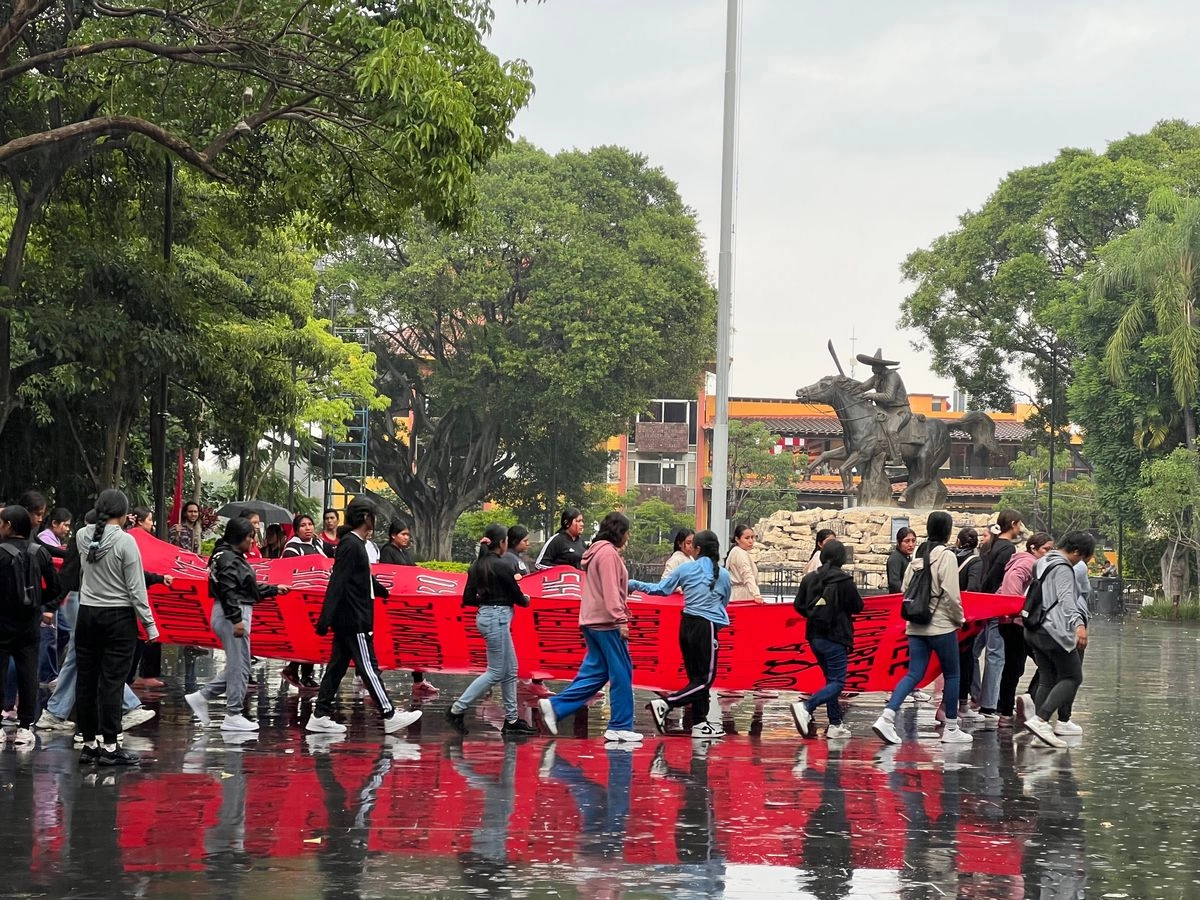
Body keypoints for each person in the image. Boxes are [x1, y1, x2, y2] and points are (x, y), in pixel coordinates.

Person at [307, 498, 422, 736]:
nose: (375, 520)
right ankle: (389, 713)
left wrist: (380, 590)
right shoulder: (351, 545)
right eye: (373, 515)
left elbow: (359, 576)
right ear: (365, 517)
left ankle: (319, 715)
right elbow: (338, 581)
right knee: (368, 667)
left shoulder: (355, 543)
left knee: (337, 667)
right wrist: (325, 618)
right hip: (354, 617)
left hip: (351, 616)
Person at [34, 509, 156, 734]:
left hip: (85, 605)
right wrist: (51, 606)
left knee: (78, 660)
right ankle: (126, 708)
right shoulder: (92, 540)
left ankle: (56, 713)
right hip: (85, 605)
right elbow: (70, 576)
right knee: (94, 660)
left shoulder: (89, 540)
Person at [537, 512, 641, 743]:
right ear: (619, 532)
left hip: (593, 620)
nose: (628, 536)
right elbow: (611, 590)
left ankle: (555, 707)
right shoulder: (607, 554)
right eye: (626, 531)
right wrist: (620, 619)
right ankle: (620, 725)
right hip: (606, 622)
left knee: (597, 673)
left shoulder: (597, 551)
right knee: (622, 672)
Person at [75, 489, 159, 766]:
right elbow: (136, 589)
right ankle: (110, 746)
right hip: (117, 619)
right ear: (124, 515)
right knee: (111, 682)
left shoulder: (81, 536)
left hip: (86, 615)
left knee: (86, 681)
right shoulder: (126, 542)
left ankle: (88, 745)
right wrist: (150, 625)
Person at [872, 511, 971, 745]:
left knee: (914, 673)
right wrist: (959, 619)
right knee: (953, 674)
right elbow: (951, 594)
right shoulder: (946, 556)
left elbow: (906, 587)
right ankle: (952, 727)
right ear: (947, 531)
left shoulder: (918, 554)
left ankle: (887, 717)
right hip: (941, 626)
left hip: (916, 625)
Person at [185, 516, 291, 731]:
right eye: (250, 537)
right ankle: (233, 713)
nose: (253, 542)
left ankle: (203, 697)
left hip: (229, 611)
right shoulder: (229, 559)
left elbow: (241, 586)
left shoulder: (224, 555)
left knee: (239, 664)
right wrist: (236, 619)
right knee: (240, 666)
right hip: (233, 613)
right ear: (240, 538)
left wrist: (272, 589)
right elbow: (229, 590)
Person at [632, 530, 731, 739]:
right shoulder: (722, 575)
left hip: (686, 625)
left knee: (695, 677)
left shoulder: (686, 569)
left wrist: (634, 584)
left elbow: (661, 589)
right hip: (706, 627)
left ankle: (700, 723)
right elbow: (724, 602)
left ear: (697, 549)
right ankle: (667, 704)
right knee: (705, 680)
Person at [446, 524, 536, 737]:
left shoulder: (476, 566)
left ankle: (512, 720)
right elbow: (518, 598)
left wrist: (486, 599)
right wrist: (525, 599)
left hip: (487, 617)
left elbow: (468, 599)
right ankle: (456, 709)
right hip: (497, 619)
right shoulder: (504, 566)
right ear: (502, 543)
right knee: (496, 671)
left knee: (511, 668)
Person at [1023, 531, 1095, 748]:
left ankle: (1039, 733)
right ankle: (1041, 719)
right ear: (1075, 551)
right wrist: (1079, 626)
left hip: (1033, 627)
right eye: (1081, 558)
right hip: (1052, 630)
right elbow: (1066, 600)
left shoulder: (1043, 561)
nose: (1079, 563)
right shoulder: (1063, 567)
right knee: (1073, 677)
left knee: (1047, 677)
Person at [790, 539, 863, 739]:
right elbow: (857, 606)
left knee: (830, 680)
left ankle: (835, 723)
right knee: (838, 682)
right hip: (836, 637)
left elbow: (799, 605)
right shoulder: (844, 581)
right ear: (842, 558)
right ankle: (806, 706)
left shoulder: (810, 578)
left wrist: (816, 615)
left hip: (814, 636)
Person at [0, 505, 60, 747]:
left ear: (9, 525)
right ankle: (25, 727)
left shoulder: (1, 553)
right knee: (28, 673)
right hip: (30, 624)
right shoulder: (40, 553)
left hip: (2, 623)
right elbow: (56, 587)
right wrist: (39, 603)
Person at [996, 532, 1054, 725]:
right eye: (1046, 549)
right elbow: (1012, 584)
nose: (1048, 553)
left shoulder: (1023, 561)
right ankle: (1016, 707)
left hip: (1011, 622)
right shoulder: (1028, 563)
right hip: (1016, 623)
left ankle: (1011, 707)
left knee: (1015, 667)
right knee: (1038, 663)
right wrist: (1018, 608)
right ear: (1033, 548)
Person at [376, 519, 437, 697]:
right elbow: (388, 576)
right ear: (393, 535)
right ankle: (372, 681)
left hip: (407, 605)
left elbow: (413, 572)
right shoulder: (388, 551)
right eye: (403, 534)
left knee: (413, 644)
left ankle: (418, 681)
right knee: (390, 644)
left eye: (408, 534)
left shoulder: (403, 552)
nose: (406, 537)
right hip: (395, 606)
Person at [973, 510, 1023, 719]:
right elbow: (997, 577)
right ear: (1012, 524)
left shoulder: (990, 545)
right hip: (996, 604)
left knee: (974, 650)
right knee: (996, 655)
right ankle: (989, 704)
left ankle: (976, 695)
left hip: (984, 603)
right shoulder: (1008, 549)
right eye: (1019, 524)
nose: (1021, 528)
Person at [126, 507, 174, 690]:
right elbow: (138, 570)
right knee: (140, 637)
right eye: (149, 520)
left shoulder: (138, 540)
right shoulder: (132, 540)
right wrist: (160, 578)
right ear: (139, 521)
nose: (152, 524)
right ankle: (130, 679)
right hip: (135, 596)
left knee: (141, 637)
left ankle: (133, 678)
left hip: (142, 593)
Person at [505, 524, 552, 700]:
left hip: (525, 609)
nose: (528, 544)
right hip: (518, 612)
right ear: (516, 541)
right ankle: (528, 682)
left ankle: (529, 681)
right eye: (525, 540)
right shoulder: (509, 559)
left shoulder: (517, 559)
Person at [280, 514, 324, 690]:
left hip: (316, 598)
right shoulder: (292, 548)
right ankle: (303, 674)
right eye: (303, 525)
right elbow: (289, 571)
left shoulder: (317, 544)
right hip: (300, 599)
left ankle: (296, 670)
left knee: (312, 637)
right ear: (297, 530)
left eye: (310, 524)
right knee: (306, 637)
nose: (308, 528)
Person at [953, 527, 982, 717]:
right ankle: (962, 704)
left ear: (957, 541)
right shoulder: (975, 562)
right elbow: (973, 590)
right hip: (965, 617)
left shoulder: (949, 557)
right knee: (966, 659)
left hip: (946, 614)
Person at [726, 524, 764, 603]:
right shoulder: (740, 553)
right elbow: (747, 574)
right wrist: (756, 594)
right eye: (747, 538)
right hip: (744, 594)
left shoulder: (736, 551)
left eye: (752, 537)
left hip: (739, 593)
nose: (751, 541)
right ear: (737, 539)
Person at [886, 527, 916, 593]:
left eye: (913, 541)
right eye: (907, 541)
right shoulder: (895, 558)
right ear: (899, 542)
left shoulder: (906, 557)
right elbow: (895, 583)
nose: (911, 545)